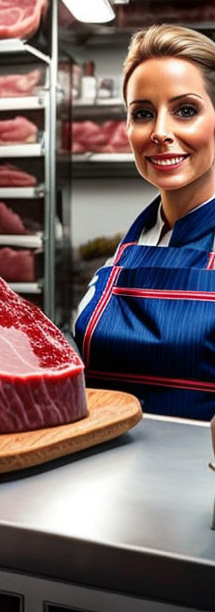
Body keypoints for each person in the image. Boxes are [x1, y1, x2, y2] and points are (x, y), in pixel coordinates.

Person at [74, 24, 215, 420]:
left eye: (185, 110)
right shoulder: (129, 247)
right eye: (143, 114)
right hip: (104, 469)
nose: (160, 132)